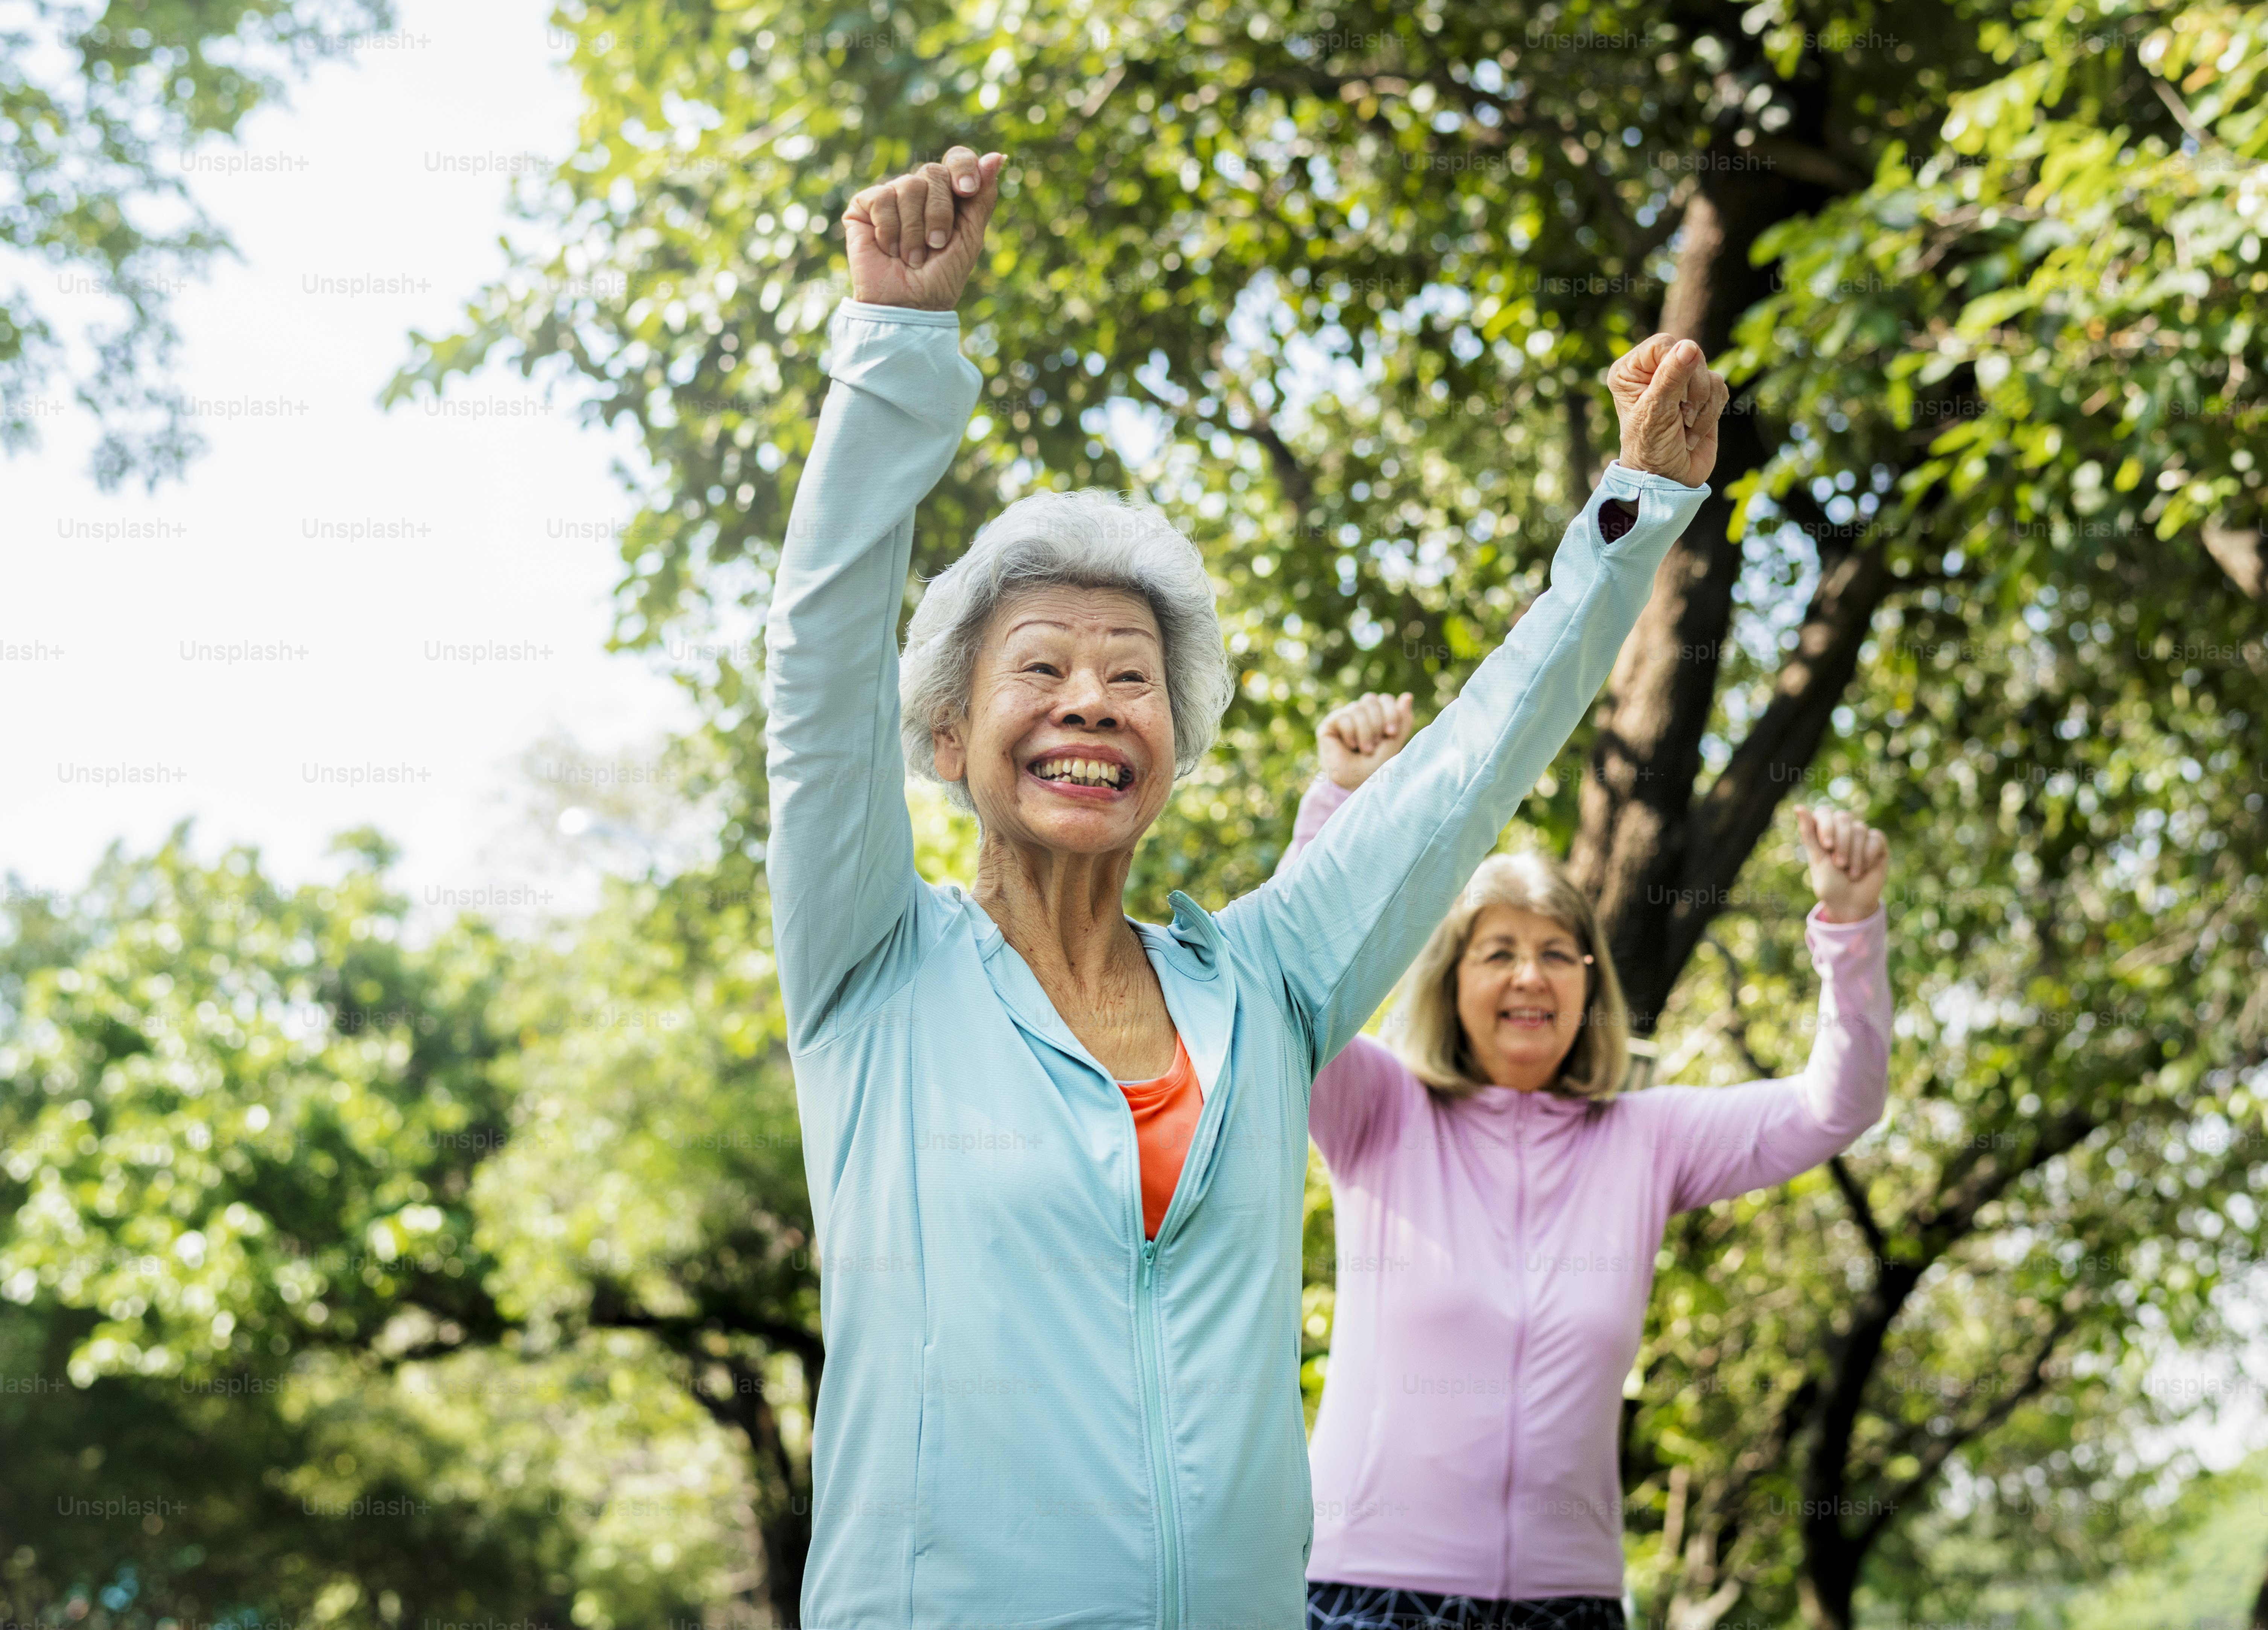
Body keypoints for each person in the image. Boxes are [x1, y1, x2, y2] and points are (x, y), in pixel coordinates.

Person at [765, 143, 1728, 1630]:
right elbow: (818, 651)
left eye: (1129, 678)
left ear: (1173, 743)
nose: (1090, 700)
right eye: (1041, 668)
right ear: (948, 735)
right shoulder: (870, 964)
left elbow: (1464, 774)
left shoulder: (1263, 984)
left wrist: (1630, 521)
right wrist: (896, 347)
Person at [1280, 696, 1894, 1630]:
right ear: (1450, 981)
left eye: (1556, 955)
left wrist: (1847, 931)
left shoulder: (1645, 1140)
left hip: (1568, 1604)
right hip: (1371, 1590)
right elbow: (1287, 998)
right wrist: (1340, 802)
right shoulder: (1379, 1109)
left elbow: (1832, 1105)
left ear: (1587, 987)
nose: (1529, 977)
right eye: (1498, 954)